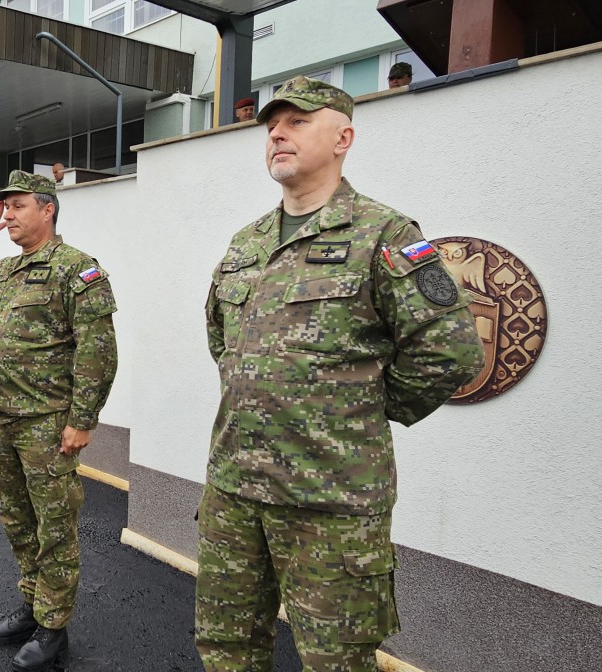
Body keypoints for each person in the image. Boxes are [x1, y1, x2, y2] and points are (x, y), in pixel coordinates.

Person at [197, 76, 482, 672]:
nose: (277, 134)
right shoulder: (247, 242)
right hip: (234, 489)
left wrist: (363, 409)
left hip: (329, 501)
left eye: (297, 121)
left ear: (343, 137)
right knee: (226, 649)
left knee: (336, 661)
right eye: (272, 125)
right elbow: (222, 336)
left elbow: (450, 351)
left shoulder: (385, 234)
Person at [0, 170, 118, 672]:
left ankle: (53, 627)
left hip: (47, 424)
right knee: (17, 520)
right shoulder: (3, 271)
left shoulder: (77, 269)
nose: (9, 215)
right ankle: (32, 604)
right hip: (3, 420)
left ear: (47, 209)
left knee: (55, 527)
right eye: (5, 207)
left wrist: (82, 419)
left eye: (18, 205)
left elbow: (97, 351)